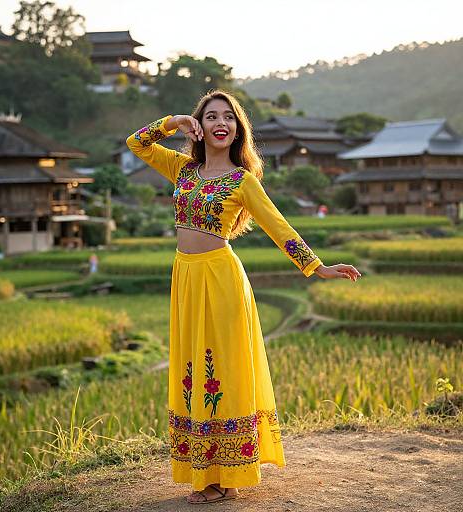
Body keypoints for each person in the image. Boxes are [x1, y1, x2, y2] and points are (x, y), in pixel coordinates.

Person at [125, 89, 361, 505]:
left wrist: (317, 266)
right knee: (194, 368)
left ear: (238, 130)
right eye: (211, 116)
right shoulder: (182, 170)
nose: (221, 123)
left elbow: (277, 225)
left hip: (222, 279)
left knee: (225, 369)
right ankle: (205, 470)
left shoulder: (242, 181)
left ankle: (228, 475)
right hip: (186, 279)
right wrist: (174, 120)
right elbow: (136, 143)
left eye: (229, 118)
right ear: (200, 127)